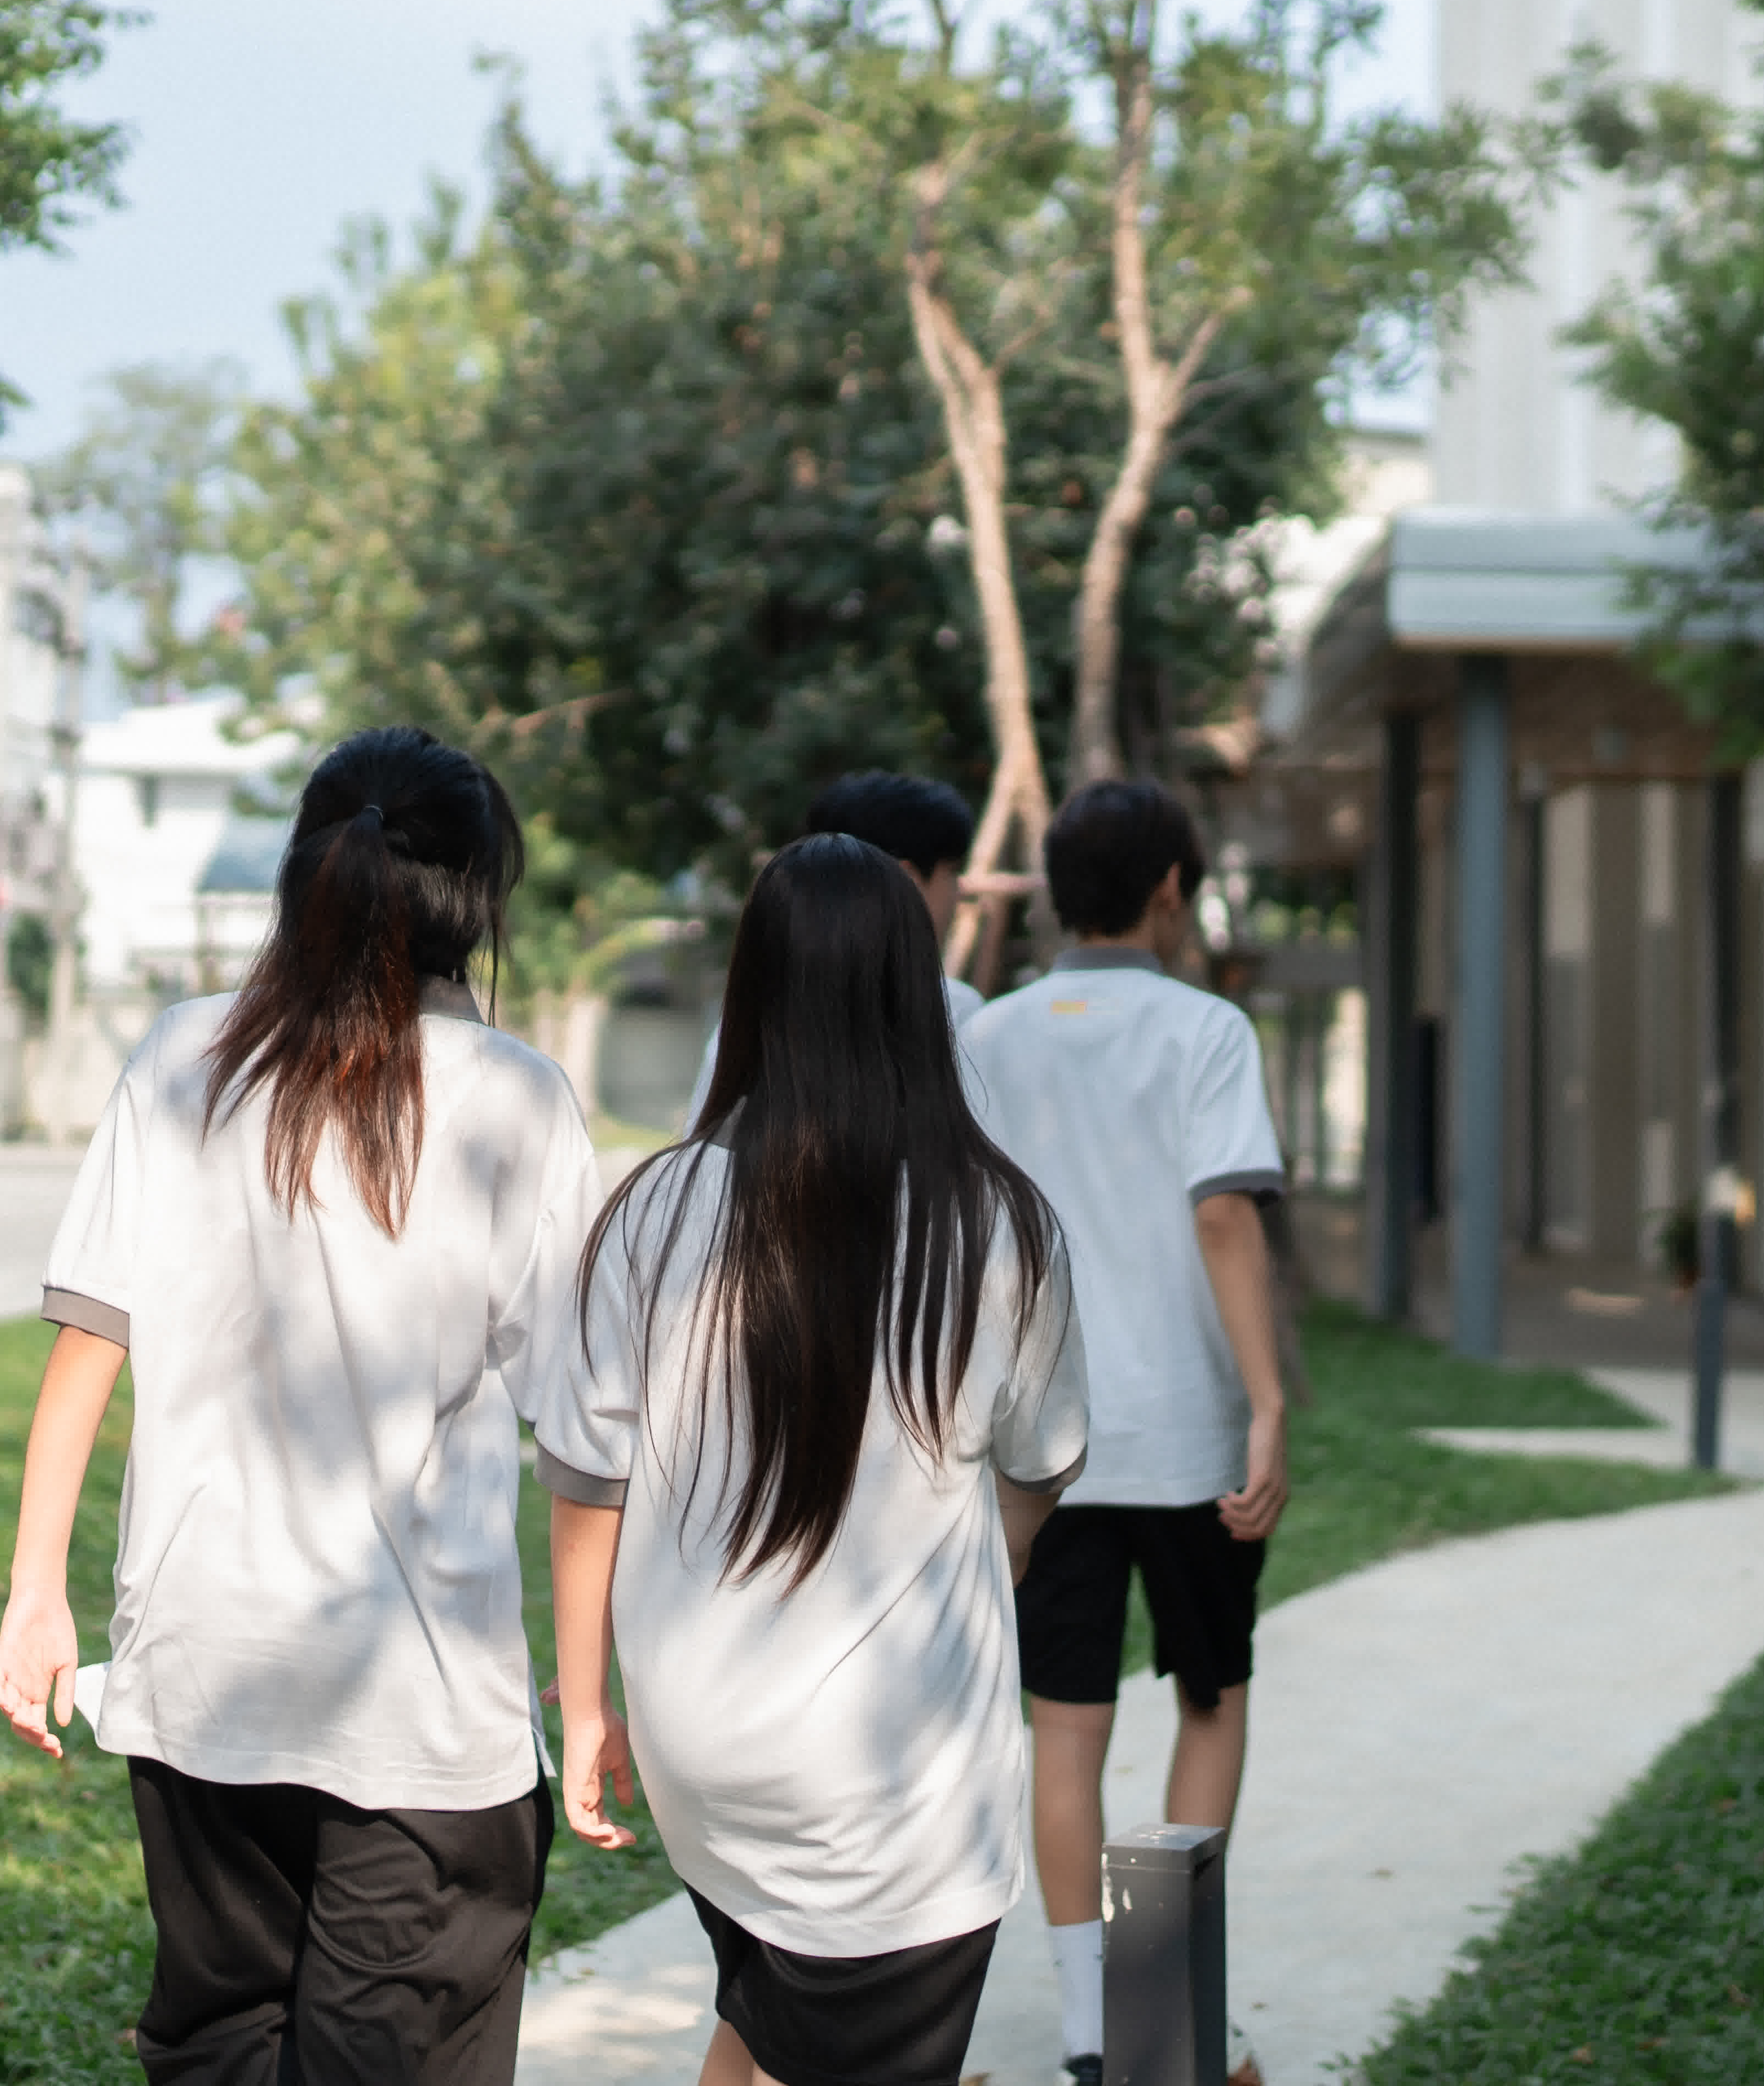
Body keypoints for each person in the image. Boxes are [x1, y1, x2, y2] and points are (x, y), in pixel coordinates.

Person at [0, 726, 597, 2084]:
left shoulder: (182, 1054)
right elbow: (586, 1432)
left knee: (218, 2047)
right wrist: (599, 1671)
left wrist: (38, 1589)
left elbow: (90, 1333)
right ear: (470, 897)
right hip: (420, 1715)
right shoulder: (518, 1100)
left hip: (204, 1679)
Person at [543, 834, 1087, 2086]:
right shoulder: (997, 1223)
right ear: (916, 995)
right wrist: (973, 1567)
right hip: (892, 1779)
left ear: (753, 992)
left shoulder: (653, 1208)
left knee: (762, 2017)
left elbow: (586, 1484)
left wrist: (584, 1706)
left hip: (705, 1751)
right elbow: (1041, 1464)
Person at [956, 780, 1290, 2086]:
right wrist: (1266, 1402)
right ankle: (1176, 2014)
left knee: (1067, 1730)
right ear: (1168, 888)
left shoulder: (994, 1034)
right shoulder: (1208, 1030)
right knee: (1210, 1698)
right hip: (1190, 1437)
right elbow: (1224, 1217)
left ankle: (1094, 2030)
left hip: (1044, 1439)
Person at [683, 770, 986, 1125]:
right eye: (952, 873)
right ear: (907, 879)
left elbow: (709, 1155)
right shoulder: (954, 1014)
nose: (960, 892)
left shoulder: (748, 1024)